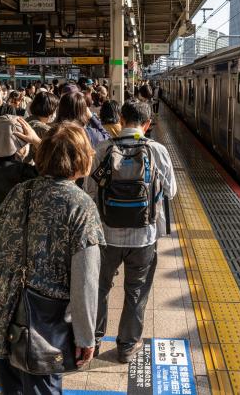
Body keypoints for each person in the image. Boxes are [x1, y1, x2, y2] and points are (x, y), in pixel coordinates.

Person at [0, 122, 105, 395]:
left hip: (2, 311)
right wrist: (86, 337)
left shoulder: (22, 191)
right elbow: (85, 281)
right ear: (81, 159)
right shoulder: (82, 206)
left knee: (12, 388)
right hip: (44, 323)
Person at [85, 99, 176, 363]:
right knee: (136, 290)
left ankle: (93, 341)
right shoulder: (157, 150)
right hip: (144, 238)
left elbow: (90, 192)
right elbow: (171, 191)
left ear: (121, 121)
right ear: (147, 124)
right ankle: (126, 346)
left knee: (100, 287)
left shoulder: (102, 148)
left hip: (107, 235)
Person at [0, 116, 38, 229]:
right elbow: (61, 167)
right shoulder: (25, 172)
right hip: (19, 239)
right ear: (19, 146)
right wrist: (37, 141)